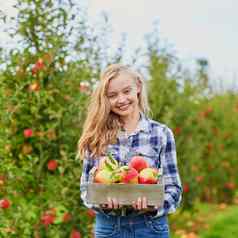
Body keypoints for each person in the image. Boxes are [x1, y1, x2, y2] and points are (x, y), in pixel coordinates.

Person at [78, 64, 182, 238]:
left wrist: (154, 204)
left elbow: (173, 188)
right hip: (109, 228)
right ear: (105, 99)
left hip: (150, 227)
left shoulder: (161, 134)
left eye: (126, 91)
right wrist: (102, 203)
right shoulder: (96, 136)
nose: (121, 99)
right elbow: (85, 189)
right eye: (112, 95)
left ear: (138, 88)